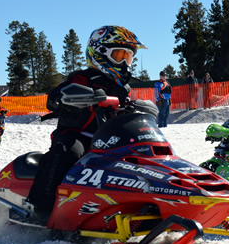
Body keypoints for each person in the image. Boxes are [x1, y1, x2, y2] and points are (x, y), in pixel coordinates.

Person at [25, 26, 146, 226]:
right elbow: (55, 97)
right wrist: (69, 96)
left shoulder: (124, 88)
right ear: (99, 53)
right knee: (69, 151)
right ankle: (41, 209)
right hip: (78, 134)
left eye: (129, 57)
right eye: (119, 55)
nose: (125, 62)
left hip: (110, 139)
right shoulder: (82, 77)